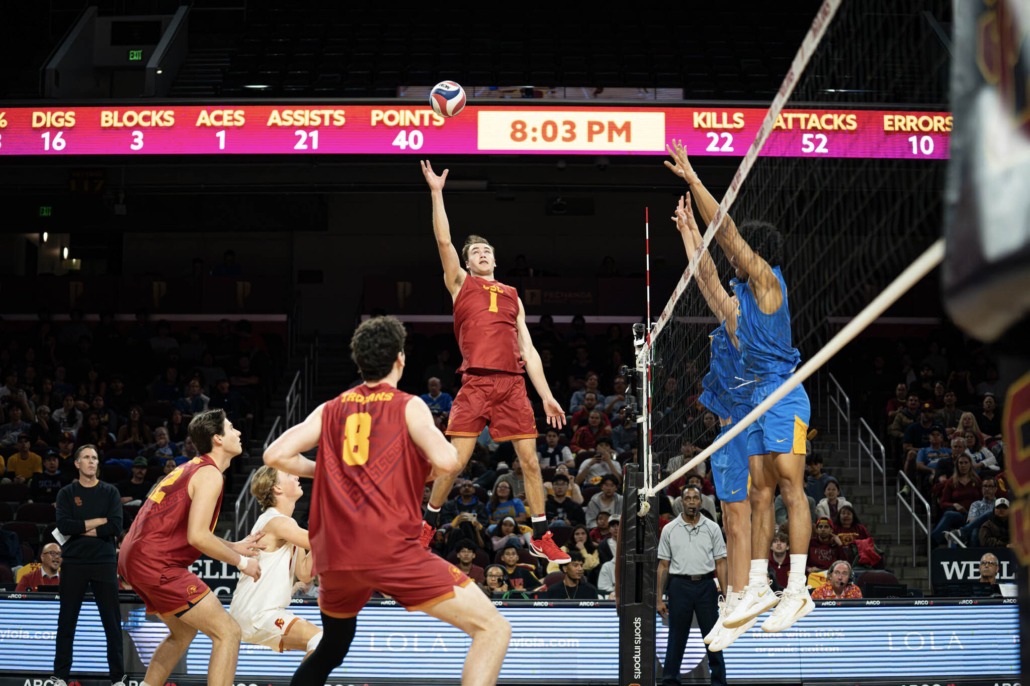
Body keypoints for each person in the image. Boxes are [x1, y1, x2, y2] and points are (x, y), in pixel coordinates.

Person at [262, 315, 511, 686]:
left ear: (359, 363)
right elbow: (446, 462)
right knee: (493, 629)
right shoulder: (409, 406)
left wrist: (332, 468)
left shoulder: (331, 408)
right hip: (389, 551)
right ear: (400, 360)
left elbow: (274, 455)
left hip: (336, 556)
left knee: (333, 646)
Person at [667, 140, 812, 633]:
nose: (733, 261)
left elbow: (726, 234)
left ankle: (798, 588)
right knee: (760, 496)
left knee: (791, 487)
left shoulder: (768, 283)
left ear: (756, 254)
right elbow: (706, 279)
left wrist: (693, 178)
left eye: (741, 254)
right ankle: (756, 586)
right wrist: (688, 233)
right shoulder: (739, 309)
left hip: (782, 394)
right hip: (753, 403)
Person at [420, 160, 569, 565]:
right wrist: (437, 193)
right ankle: (427, 525)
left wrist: (548, 396)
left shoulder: (512, 294)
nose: (483, 253)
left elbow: (530, 350)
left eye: (487, 250)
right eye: (476, 252)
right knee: (455, 462)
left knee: (530, 463)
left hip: (513, 385)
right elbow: (444, 243)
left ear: (495, 260)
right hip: (475, 383)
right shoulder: (460, 285)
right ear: (468, 264)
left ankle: (540, 535)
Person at [117, 409, 264, 686]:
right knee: (228, 632)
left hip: (134, 557)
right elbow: (198, 537)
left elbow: (188, 531)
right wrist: (242, 563)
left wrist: (233, 545)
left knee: (183, 632)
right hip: (155, 561)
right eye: (232, 428)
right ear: (217, 438)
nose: (239, 432)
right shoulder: (210, 474)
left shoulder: (190, 468)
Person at [51, 445, 125, 686]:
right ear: (77, 463)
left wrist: (81, 527)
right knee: (67, 621)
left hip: (104, 562)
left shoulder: (110, 492)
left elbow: (114, 527)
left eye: (94, 458)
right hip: (73, 563)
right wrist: (98, 522)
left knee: (111, 623)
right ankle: (60, 676)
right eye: (86, 458)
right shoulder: (66, 493)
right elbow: (64, 527)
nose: (91, 462)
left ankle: (117, 678)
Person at [229, 466, 322, 656]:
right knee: (320, 641)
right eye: (288, 474)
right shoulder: (277, 522)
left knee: (321, 643)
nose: (297, 475)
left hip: (257, 612)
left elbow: (304, 573)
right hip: (257, 613)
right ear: (277, 488)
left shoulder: (286, 524)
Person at [656, 486, 727, 685]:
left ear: (701, 502)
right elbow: (663, 565)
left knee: (713, 636)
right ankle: (670, 680)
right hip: (679, 585)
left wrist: (727, 594)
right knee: (676, 636)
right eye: (688, 498)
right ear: (681, 502)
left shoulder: (712, 527)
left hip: (706, 585)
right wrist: (658, 597)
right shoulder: (669, 529)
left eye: (695, 498)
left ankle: (719, 681)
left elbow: (721, 562)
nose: (692, 502)